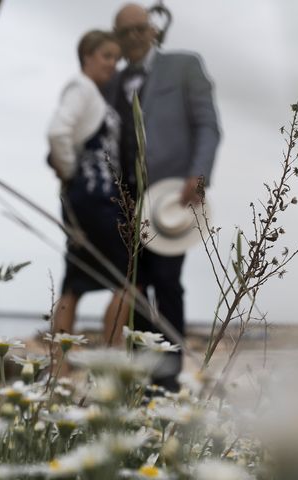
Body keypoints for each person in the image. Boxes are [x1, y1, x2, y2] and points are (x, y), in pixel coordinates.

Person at [106, 3, 221, 391]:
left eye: (141, 28)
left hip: (174, 196)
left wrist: (199, 177)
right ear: (118, 40)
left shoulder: (185, 65)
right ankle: (140, 371)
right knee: (134, 284)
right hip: (124, 198)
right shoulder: (113, 82)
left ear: (153, 29)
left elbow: (208, 126)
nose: (135, 37)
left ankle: (169, 374)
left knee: (168, 281)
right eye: (125, 33)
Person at [47, 30, 130, 346]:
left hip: (91, 199)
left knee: (75, 282)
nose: (113, 64)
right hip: (96, 199)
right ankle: (110, 364)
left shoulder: (92, 93)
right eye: (107, 56)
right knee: (127, 281)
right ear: (87, 56)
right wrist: (71, 172)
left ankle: (59, 372)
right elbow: (58, 132)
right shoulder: (80, 88)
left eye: (116, 58)